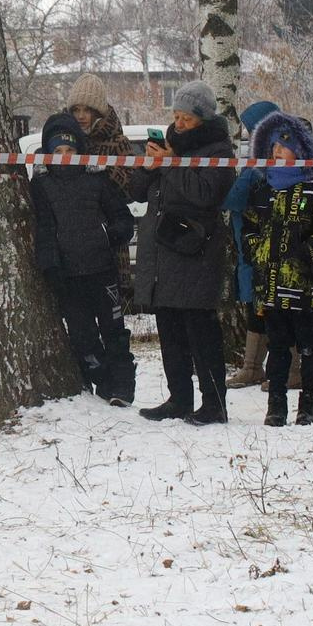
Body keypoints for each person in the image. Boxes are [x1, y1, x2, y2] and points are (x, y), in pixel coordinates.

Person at [126, 82, 233, 426]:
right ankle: (179, 398)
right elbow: (135, 191)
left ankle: (214, 404)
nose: (180, 123)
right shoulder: (169, 147)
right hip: (163, 253)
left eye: (187, 117)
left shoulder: (218, 151)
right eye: (176, 116)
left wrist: (171, 164)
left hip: (196, 252)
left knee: (201, 334)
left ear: (202, 119)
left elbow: (204, 194)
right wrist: (148, 165)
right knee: (170, 331)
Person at [240, 111, 313, 427]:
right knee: (276, 348)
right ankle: (276, 405)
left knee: (309, 347)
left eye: (284, 145)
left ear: (301, 150)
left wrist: (312, 248)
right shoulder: (263, 188)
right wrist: (255, 250)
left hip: (305, 285)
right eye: (273, 145)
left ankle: (309, 402)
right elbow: (248, 227)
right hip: (270, 286)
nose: (277, 151)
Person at [29, 112, 135, 403]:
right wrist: (50, 266)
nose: (64, 156)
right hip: (69, 275)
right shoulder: (41, 185)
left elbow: (123, 218)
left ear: (80, 151)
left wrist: (109, 236)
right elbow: (45, 228)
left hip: (102, 270)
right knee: (83, 337)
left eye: (70, 150)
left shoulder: (97, 178)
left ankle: (123, 386)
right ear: (48, 154)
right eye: (58, 151)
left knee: (114, 331)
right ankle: (100, 380)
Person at [225, 100, 283, 390]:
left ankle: (268, 367)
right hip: (251, 247)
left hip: (260, 247)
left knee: (267, 308)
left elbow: (234, 198)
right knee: (256, 307)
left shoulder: (263, 163)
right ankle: (253, 366)